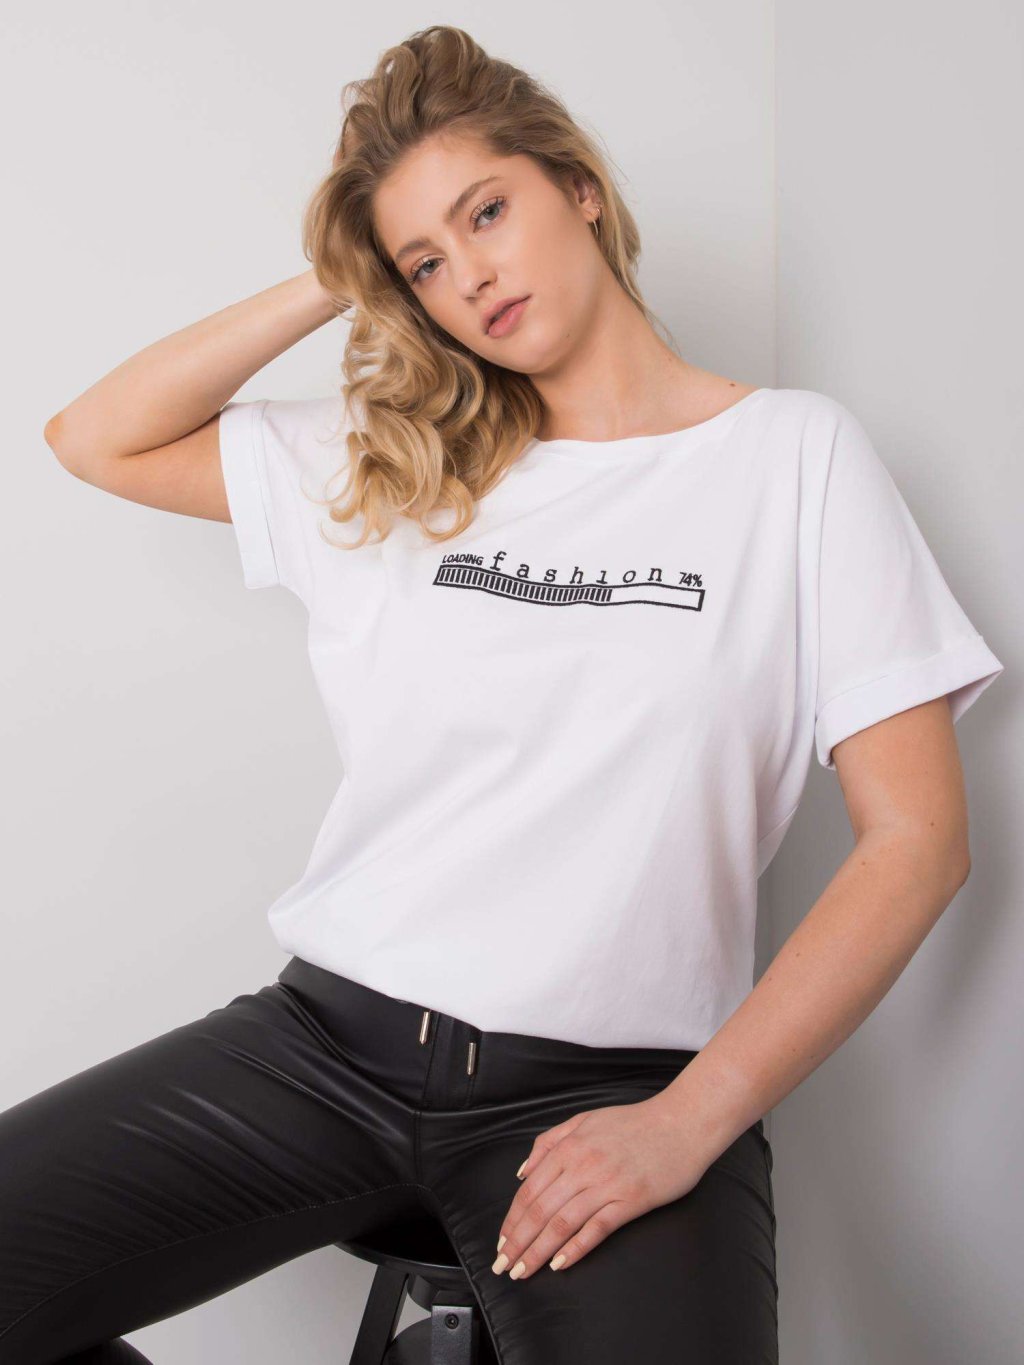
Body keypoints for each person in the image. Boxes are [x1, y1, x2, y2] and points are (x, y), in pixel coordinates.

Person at [6, 23, 1004, 1365]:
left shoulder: (794, 460)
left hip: (615, 1086)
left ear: (577, 187)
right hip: (329, 1044)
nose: (469, 273)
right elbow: (94, 437)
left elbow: (919, 840)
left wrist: (689, 1121)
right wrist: (338, 276)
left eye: (486, 212)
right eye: (424, 260)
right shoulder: (396, 462)